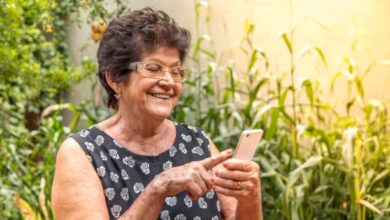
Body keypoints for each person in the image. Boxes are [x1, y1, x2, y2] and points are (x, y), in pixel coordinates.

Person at [51, 7, 262, 220]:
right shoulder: (84, 153)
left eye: (176, 71)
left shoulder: (197, 143)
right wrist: (159, 187)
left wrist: (250, 196)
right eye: (153, 69)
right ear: (114, 78)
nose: (169, 82)